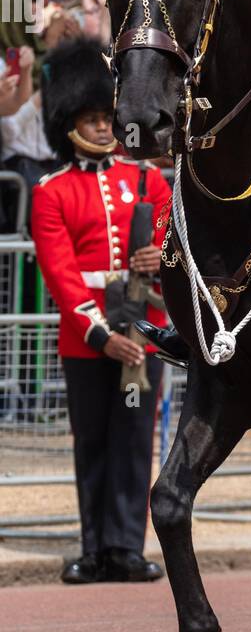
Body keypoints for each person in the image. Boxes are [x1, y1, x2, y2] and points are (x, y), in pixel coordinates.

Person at [30, 40, 172, 584]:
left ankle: (126, 548)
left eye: (106, 117)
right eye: (90, 119)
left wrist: (161, 256)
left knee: (136, 438)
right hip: (87, 337)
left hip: (141, 328)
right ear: (70, 123)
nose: (101, 127)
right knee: (92, 440)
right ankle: (94, 549)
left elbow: (174, 245)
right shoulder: (51, 192)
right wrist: (98, 334)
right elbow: (61, 276)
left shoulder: (147, 180)